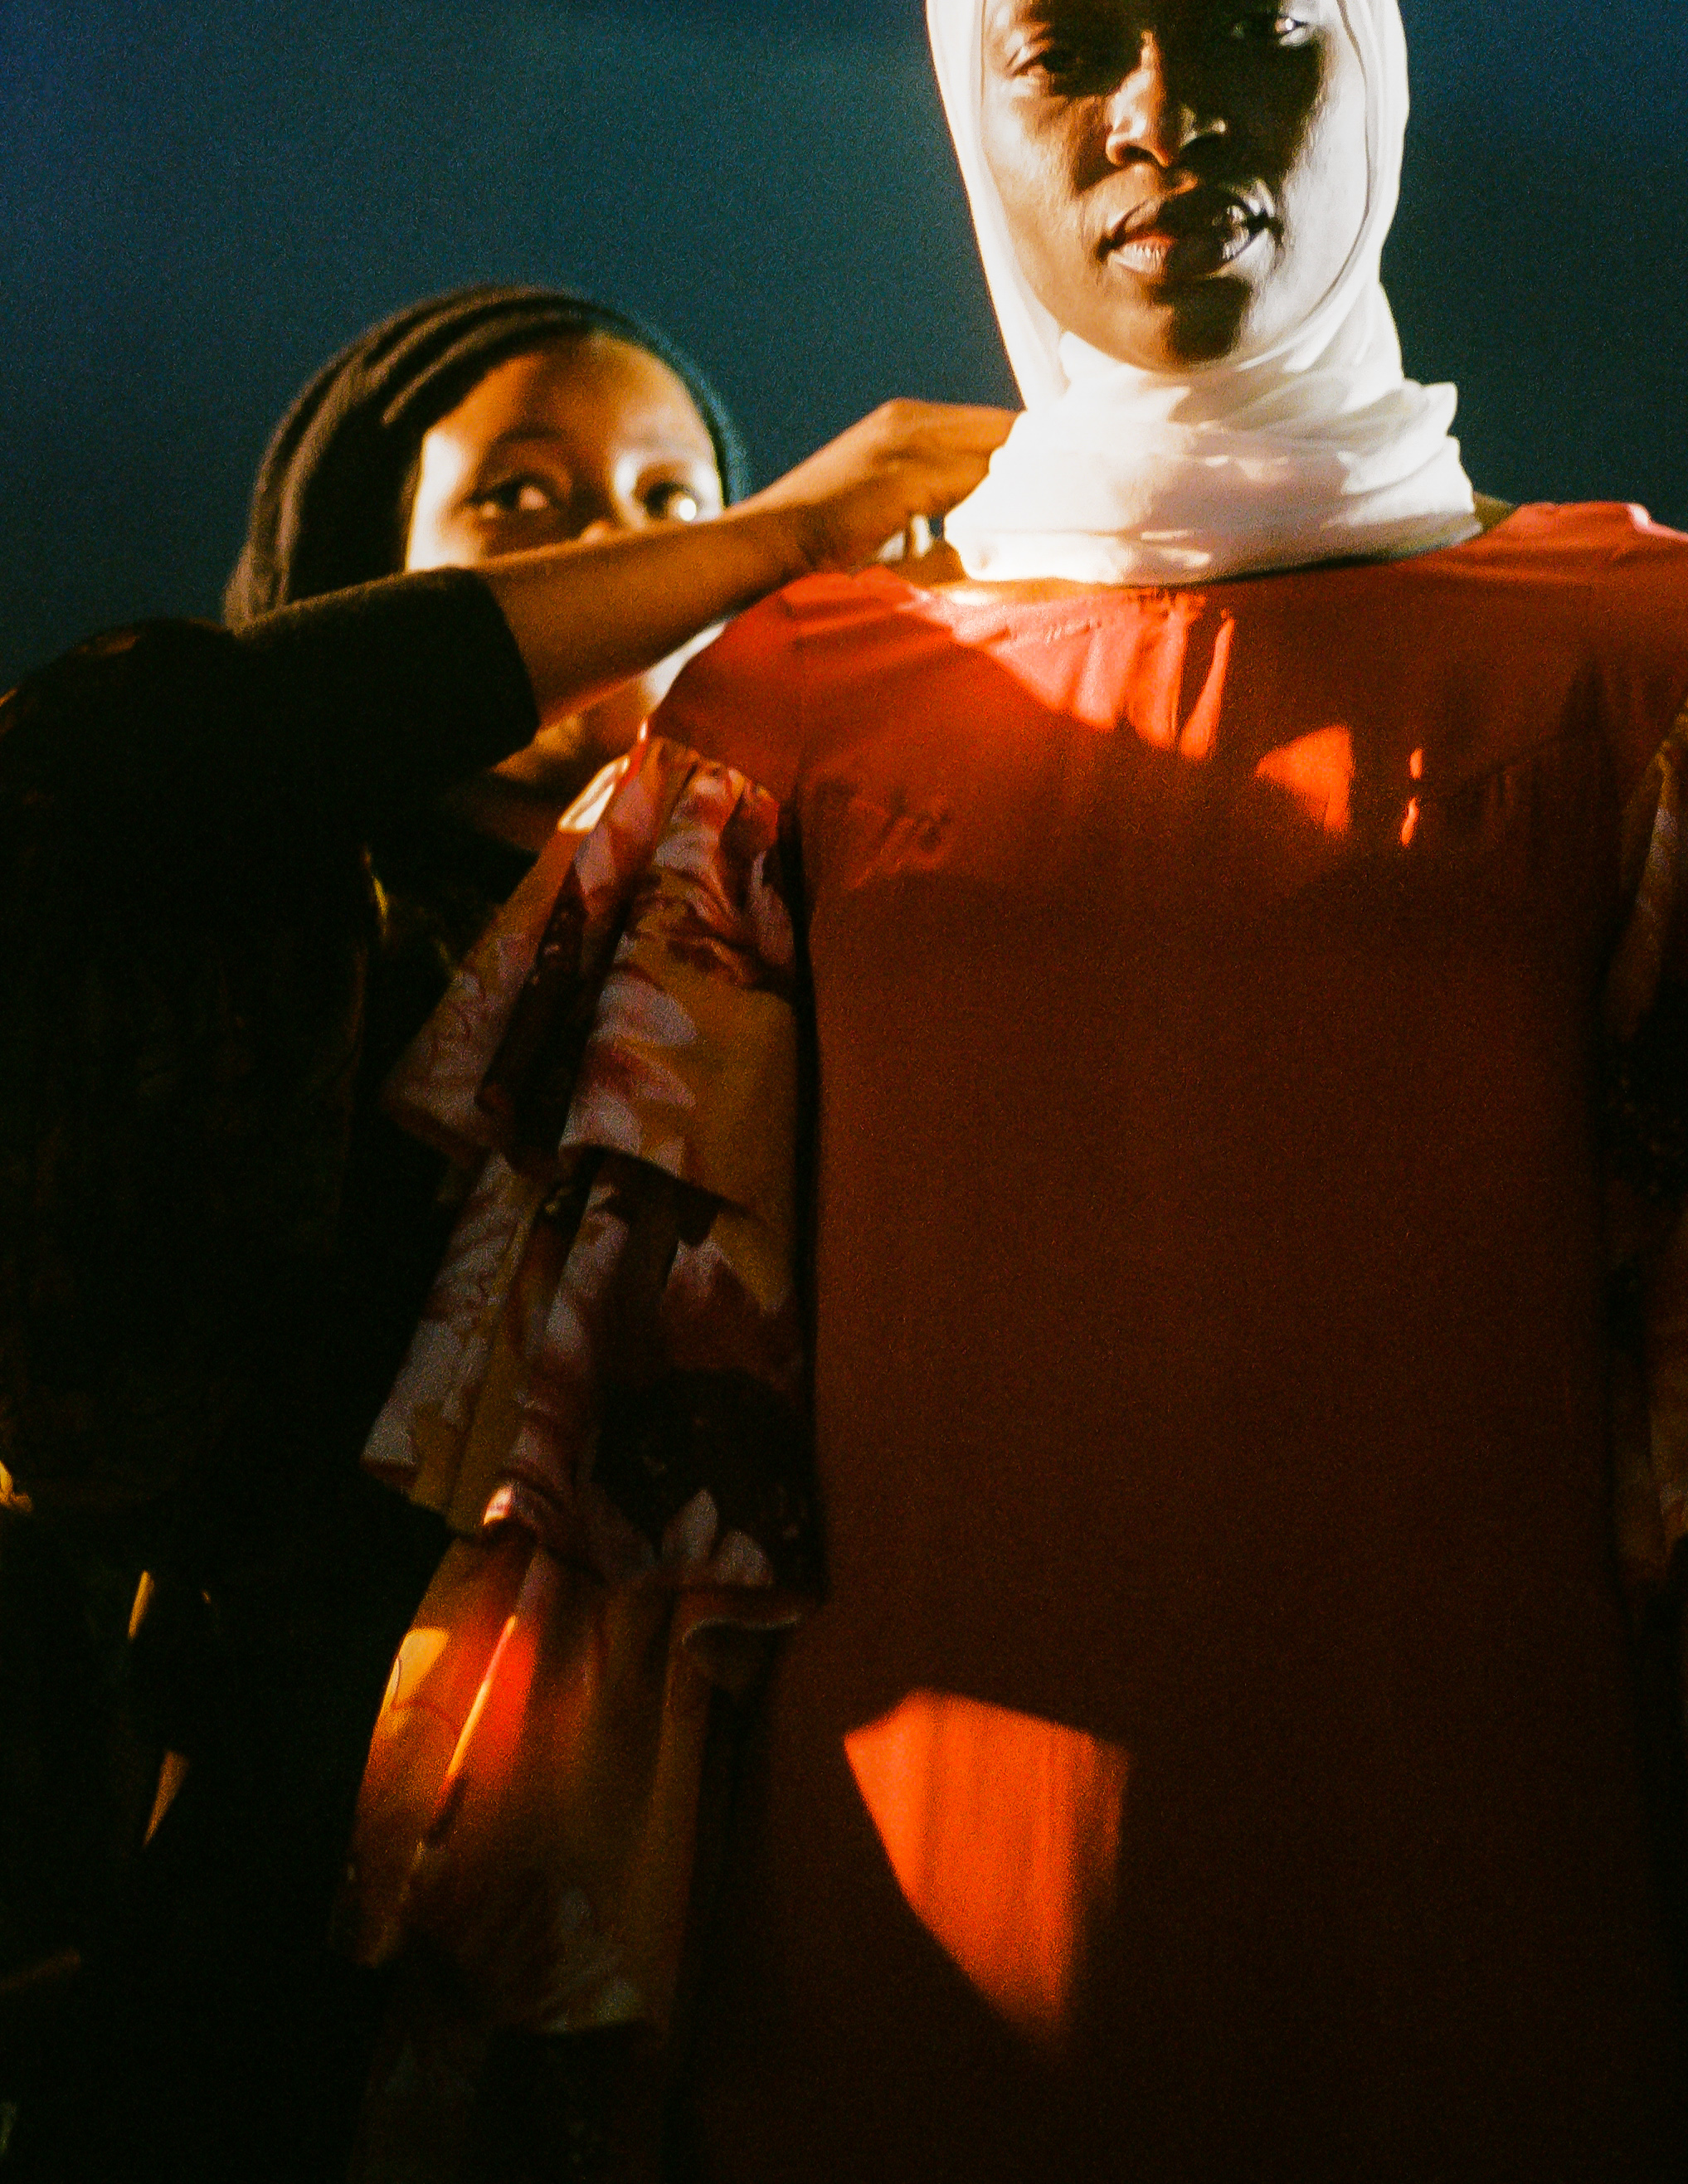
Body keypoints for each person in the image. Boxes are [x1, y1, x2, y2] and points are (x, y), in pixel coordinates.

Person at [350, 0, 1688, 2183]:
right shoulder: (786, 721)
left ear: (1373, 63)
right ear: (968, 113)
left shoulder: (1683, 676)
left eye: (1249, 22)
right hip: (902, 1925)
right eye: (1067, 46)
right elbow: (602, 1480)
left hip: (1504, 1893)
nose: (1163, 108)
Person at [0, 282, 1006, 2182]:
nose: (634, 549)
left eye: (670, 500)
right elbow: (108, 748)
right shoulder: (252, 938)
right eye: (527, 504)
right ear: (366, 570)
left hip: (739, 1963)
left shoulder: (780, 968)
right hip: (268, 1982)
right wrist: (784, 527)